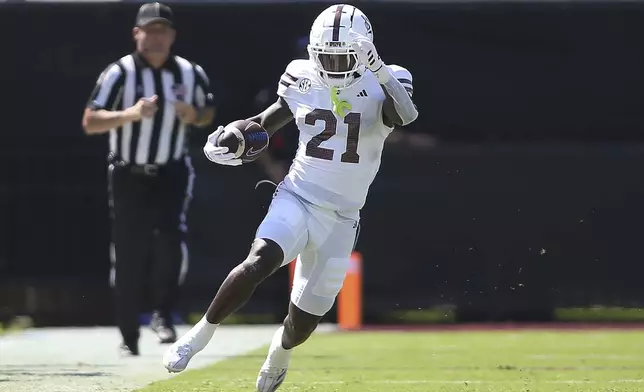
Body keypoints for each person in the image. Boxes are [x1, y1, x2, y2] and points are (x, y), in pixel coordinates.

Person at [163, 3, 417, 390]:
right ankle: (198, 337)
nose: (333, 65)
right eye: (325, 56)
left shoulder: (390, 78)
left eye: (343, 56)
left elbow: (405, 115)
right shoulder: (301, 76)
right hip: (298, 195)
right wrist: (230, 138)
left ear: (365, 50)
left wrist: (378, 69)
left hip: (343, 217)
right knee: (259, 260)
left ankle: (279, 355)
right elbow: (265, 122)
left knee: (303, 322)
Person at [81, 2, 216, 356]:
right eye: (149, 31)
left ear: (172, 36)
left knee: (171, 243)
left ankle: (164, 315)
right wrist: (131, 114)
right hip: (128, 172)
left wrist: (195, 114)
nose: (156, 38)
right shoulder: (120, 73)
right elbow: (91, 121)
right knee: (129, 252)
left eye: (162, 31)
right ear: (136, 34)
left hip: (171, 171)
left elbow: (208, 112)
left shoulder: (190, 73)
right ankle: (128, 333)